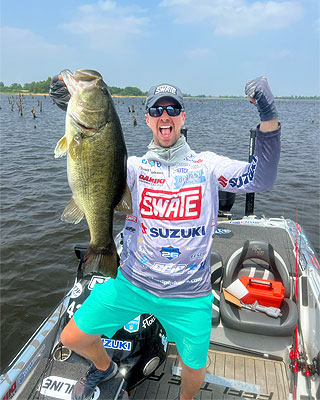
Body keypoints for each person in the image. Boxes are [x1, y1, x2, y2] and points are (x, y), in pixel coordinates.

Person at [50, 75, 280, 400]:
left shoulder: (208, 166)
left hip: (188, 296)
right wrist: (69, 108)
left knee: (194, 374)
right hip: (133, 284)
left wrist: (268, 116)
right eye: (156, 110)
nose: (165, 115)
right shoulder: (131, 168)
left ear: (183, 116)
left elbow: (263, 177)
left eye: (172, 108)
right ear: (147, 119)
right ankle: (104, 368)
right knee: (71, 338)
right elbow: (94, 160)